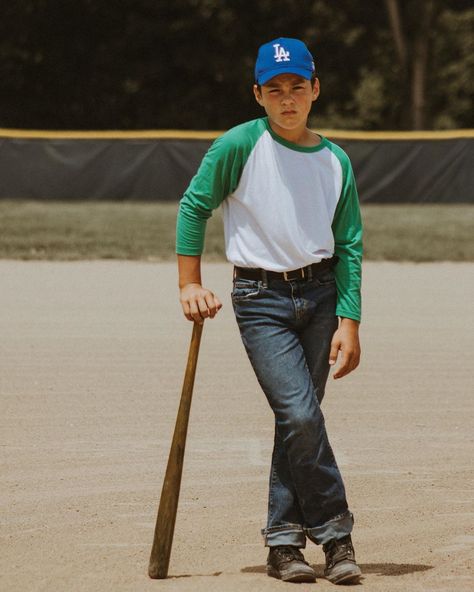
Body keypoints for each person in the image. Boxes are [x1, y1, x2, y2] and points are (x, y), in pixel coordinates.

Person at [176, 37, 363, 585]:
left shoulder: (334, 160)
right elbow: (194, 206)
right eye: (275, 89)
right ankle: (336, 533)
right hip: (261, 300)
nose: (287, 99)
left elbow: (348, 243)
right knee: (301, 415)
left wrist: (350, 319)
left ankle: (283, 544)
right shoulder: (238, 145)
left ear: (315, 90)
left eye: (297, 88)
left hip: (323, 296)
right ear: (258, 94)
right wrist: (190, 283)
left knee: (295, 422)